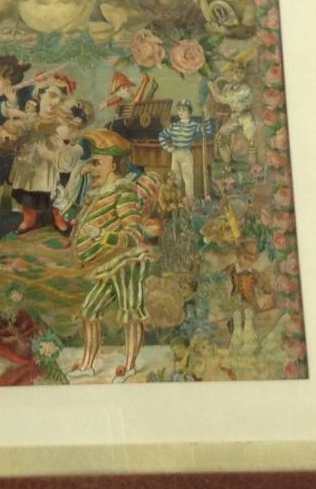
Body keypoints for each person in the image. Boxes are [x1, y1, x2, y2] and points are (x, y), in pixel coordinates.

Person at [70, 129, 161, 378]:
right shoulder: (102, 194)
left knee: (130, 313)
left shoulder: (123, 193)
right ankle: (87, 365)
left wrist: (103, 236)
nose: (89, 170)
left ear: (113, 165)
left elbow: (133, 235)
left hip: (126, 263)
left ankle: (129, 367)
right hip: (107, 264)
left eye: (96, 163)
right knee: (89, 311)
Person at [9, 74, 73, 234]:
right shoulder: (32, 118)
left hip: (53, 161)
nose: (56, 102)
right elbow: (39, 127)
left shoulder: (64, 121)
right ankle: (29, 220)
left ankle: (59, 219)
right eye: (52, 95)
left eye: (61, 99)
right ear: (40, 95)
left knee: (58, 191)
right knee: (28, 191)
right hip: (32, 161)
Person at [0, 54, 37, 220]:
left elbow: (35, 111)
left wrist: (41, 86)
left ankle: (17, 207)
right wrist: (9, 105)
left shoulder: (26, 93)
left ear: (9, 76)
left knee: (18, 178)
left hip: (22, 147)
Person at [51, 102, 94, 232]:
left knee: (69, 198)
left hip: (76, 176)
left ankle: (69, 221)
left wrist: (60, 148)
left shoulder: (82, 141)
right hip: (69, 173)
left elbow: (66, 164)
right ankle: (63, 220)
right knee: (60, 194)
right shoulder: (73, 138)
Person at [157, 100, 205, 203]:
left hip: (186, 154)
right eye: (179, 110)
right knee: (175, 177)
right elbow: (161, 136)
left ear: (190, 112)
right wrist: (167, 148)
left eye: (184, 110)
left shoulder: (193, 125)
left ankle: (190, 199)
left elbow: (207, 131)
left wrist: (207, 116)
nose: (181, 112)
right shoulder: (174, 126)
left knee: (188, 177)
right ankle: (177, 199)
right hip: (175, 154)